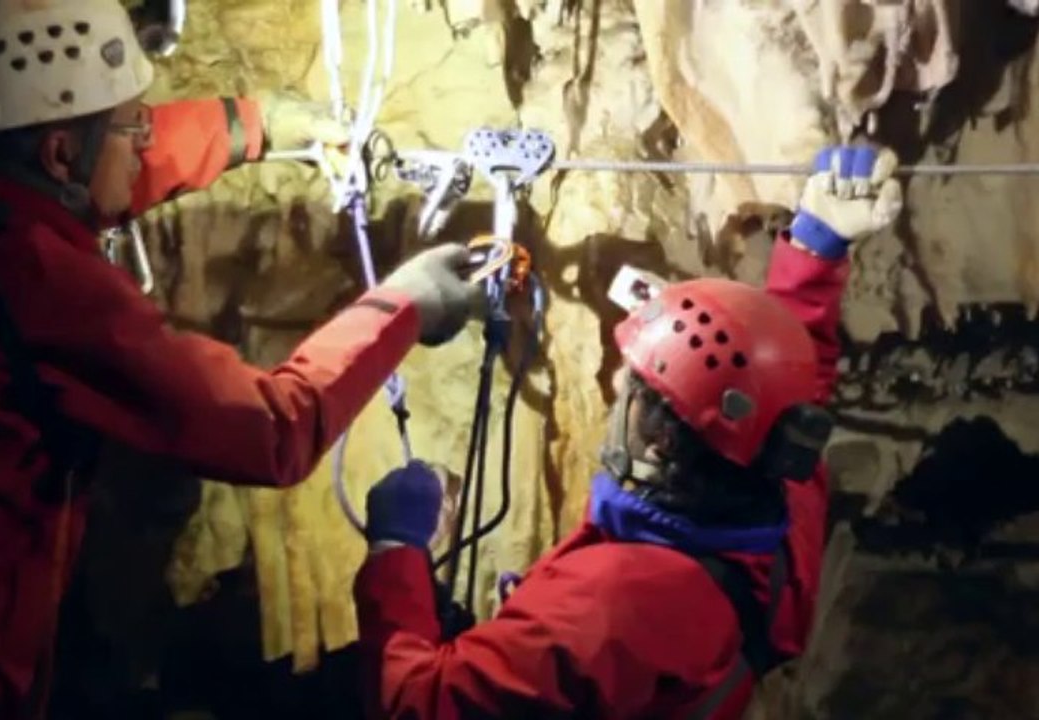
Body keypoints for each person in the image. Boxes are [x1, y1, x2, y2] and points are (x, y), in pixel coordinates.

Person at [0, 1, 483, 718]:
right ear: (61, 153)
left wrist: (255, 123)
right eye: (132, 123)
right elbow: (270, 430)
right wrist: (403, 306)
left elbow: (66, 180)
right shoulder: (43, 285)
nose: (144, 135)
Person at [353, 143, 905, 719]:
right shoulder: (773, 523)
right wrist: (816, 249)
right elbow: (786, 380)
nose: (619, 388)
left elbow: (417, 705)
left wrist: (395, 551)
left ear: (659, 440)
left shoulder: (610, 605)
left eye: (632, 386)